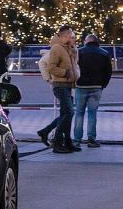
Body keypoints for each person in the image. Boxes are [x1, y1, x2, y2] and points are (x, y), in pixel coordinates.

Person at [37, 25, 80, 154]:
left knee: (66, 114)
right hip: (60, 85)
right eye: (70, 36)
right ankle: (57, 142)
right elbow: (51, 67)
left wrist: (74, 50)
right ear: (64, 36)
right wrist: (65, 73)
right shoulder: (57, 48)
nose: (73, 38)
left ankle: (65, 141)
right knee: (69, 113)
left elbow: (74, 65)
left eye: (73, 36)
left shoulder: (69, 49)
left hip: (69, 85)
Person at [73, 34, 112, 148]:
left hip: (81, 86)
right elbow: (108, 72)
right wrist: (102, 85)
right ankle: (91, 139)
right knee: (92, 114)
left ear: (87, 41)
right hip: (96, 87)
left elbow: (74, 68)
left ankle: (77, 140)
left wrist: (75, 82)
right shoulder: (104, 53)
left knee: (79, 113)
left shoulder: (79, 52)